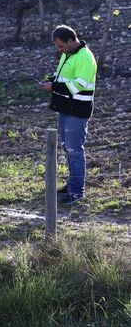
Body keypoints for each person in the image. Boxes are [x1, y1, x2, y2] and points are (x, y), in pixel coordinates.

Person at [39, 25, 96, 205]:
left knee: (74, 150)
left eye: (61, 46)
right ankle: (72, 185)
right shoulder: (68, 54)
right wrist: (50, 81)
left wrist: (53, 87)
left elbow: (75, 86)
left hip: (77, 111)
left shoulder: (85, 58)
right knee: (68, 148)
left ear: (71, 40)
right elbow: (61, 76)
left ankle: (77, 192)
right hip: (66, 109)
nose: (59, 50)